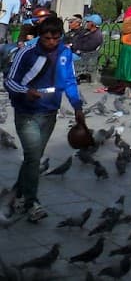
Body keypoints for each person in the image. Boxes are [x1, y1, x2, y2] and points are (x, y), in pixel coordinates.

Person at [4, 15, 88, 222]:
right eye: (47, 38)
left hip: (50, 112)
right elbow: (9, 81)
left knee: (33, 159)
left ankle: (16, 194)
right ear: (40, 36)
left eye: (55, 38)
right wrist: (25, 91)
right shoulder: (27, 53)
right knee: (33, 158)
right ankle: (32, 203)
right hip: (27, 113)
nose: (51, 42)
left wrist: (77, 106)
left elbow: (69, 81)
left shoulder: (65, 53)